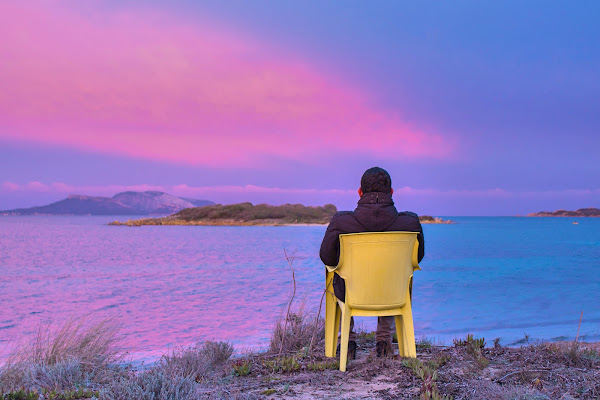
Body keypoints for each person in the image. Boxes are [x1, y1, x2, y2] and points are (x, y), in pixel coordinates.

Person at [320, 167, 425, 359]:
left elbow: (326, 257)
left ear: (359, 192)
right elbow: (417, 259)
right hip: (395, 292)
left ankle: (348, 342)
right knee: (394, 276)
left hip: (351, 292)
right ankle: (384, 341)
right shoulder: (410, 223)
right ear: (391, 192)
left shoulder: (341, 222)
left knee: (337, 274)